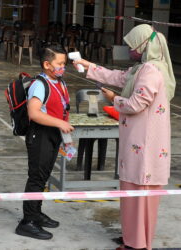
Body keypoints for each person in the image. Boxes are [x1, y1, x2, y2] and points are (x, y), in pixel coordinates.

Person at [73, 24, 175, 250]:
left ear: (143, 45)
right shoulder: (143, 68)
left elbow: (137, 103)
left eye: (132, 46)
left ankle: (137, 244)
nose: (130, 50)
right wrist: (87, 65)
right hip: (139, 141)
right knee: (134, 192)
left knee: (140, 193)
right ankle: (133, 237)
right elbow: (117, 76)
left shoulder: (150, 71)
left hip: (145, 143)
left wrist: (114, 99)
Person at [15, 46, 74, 240]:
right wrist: (60, 123)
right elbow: (34, 113)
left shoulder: (59, 82)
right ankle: (28, 222)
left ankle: (36, 213)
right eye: (59, 64)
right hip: (40, 135)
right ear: (47, 64)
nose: (62, 67)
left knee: (44, 175)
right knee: (37, 177)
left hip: (54, 134)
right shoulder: (40, 85)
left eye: (64, 64)